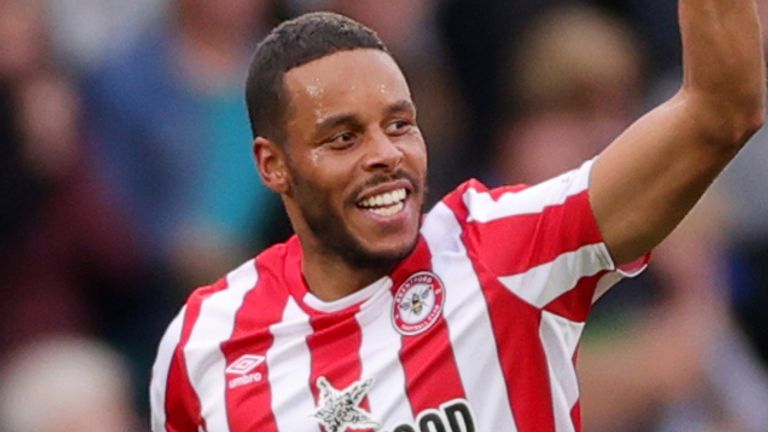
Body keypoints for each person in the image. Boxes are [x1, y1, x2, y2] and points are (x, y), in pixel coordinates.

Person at [150, 2, 765, 431]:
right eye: (344, 138)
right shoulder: (205, 344)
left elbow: (722, 111)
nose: (386, 155)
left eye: (399, 125)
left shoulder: (501, 248)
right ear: (273, 165)